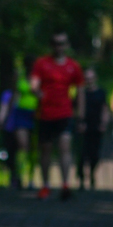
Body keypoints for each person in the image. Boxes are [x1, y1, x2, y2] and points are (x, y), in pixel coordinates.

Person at [31, 32, 84, 201]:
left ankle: (65, 184)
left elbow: (80, 91)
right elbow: (34, 83)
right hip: (45, 114)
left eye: (62, 43)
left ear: (66, 45)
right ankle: (46, 184)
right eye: (55, 43)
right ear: (51, 45)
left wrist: (81, 114)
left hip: (65, 113)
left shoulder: (73, 66)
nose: (58, 46)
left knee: (64, 147)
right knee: (45, 149)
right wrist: (37, 92)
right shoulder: (42, 63)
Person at [0, 74, 37, 189]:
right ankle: (15, 177)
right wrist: (0, 122)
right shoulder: (7, 94)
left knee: (24, 149)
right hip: (9, 127)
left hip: (20, 125)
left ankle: (24, 176)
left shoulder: (25, 96)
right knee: (12, 153)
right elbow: (3, 109)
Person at [76, 68, 109, 190]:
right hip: (83, 126)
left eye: (91, 78)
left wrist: (104, 123)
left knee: (95, 155)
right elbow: (76, 109)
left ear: (95, 79)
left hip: (96, 126)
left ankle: (92, 173)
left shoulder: (101, 92)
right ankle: (81, 178)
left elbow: (105, 108)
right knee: (82, 154)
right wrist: (80, 122)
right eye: (87, 78)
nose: (89, 81)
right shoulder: (81, 93)